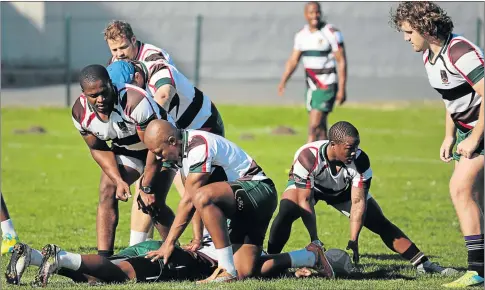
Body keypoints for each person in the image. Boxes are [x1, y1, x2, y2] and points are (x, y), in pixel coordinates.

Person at [141, 120, 334, 283]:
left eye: (159, 151)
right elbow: (194, 198)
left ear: (172, 141)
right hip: (241, 206)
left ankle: (226, 269)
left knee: (202, 196)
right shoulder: (182, 153)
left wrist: (169, 243)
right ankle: (310, 256)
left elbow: (191, 200)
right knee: (245, 270)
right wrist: (197, 238)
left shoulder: (198, 146)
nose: (159, 157)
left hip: (259, 191)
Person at [267, 121, 458, 276]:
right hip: (312, 188)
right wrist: (314, 239)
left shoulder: (360, 160)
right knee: (287, 210)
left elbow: (358, 202)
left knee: (380, 222)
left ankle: (423, 264)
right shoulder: (307, 156)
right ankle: (271, 260)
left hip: (343, 192)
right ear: (333, 145)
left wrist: (353, 239)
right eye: (349, 148)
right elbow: (305, 201)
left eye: (356, 146)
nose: (354, 152)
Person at [390, 2, 484, 287]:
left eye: (408, 32)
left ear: (424, 28)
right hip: (467, 132)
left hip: (480, 132)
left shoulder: (460, 52)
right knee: (476, 199)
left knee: (460, 189)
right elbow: (451, 100)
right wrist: (449, 136)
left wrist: (475, 138)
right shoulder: (431, 57)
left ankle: (477, 270)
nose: (406, 38)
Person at [107, 59, 225, 248]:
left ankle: (210, 244)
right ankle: (160, 249)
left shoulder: (157, 70)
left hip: (201, 131)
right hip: (170, 142)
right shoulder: (123, 83)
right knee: (151, 196)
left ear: (137, 77)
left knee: (196, 194)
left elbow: (163, 96)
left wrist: (148, 119)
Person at [71, 64, 177, 258]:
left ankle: (174, 253)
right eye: (93, 96)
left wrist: (145, 187)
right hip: (129, 149)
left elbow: (154, 148)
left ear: (111, 84)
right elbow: (98, 148)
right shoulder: (79, 112)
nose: (100, 99)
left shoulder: (134, 101)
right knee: (107, 189)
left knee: (153, 201)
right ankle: (104, 260)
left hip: (163, 149)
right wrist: (119, 180)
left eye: (104, 92)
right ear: (84, 94)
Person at [103, 20, 178, 246]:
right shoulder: (116, 63)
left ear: (133, 40)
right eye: (114, 50)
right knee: (145, 188)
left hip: (188, 124)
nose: (119, 54)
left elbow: (164, 95)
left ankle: (206, 247)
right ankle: (137, 248)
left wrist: (148, 126)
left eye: (123, 47)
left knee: (192, 190)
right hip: (158, 128)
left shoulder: (153, 57)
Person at [6, 236, 336, 286]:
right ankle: (61, 257)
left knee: (98, 277)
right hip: (181, 257)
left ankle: (34, 256)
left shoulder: (206, 197)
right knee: (121, 275)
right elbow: (261, 264)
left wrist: (301, 262)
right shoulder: (241, 241)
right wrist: (305, 258)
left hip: (158, 243)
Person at [278, 1, 347, 142]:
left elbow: (341, 61)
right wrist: (284, 81)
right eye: (311, 12)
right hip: (311, 87)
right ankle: (327, 161)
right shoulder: (301, 36)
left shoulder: (331, 33)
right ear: (305, 15)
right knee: (321, 130)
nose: (315, 15)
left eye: (317, 12)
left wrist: (342, 88)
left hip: (327, 85)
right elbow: (293, 60)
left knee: (313, 127)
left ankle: (304, 161)